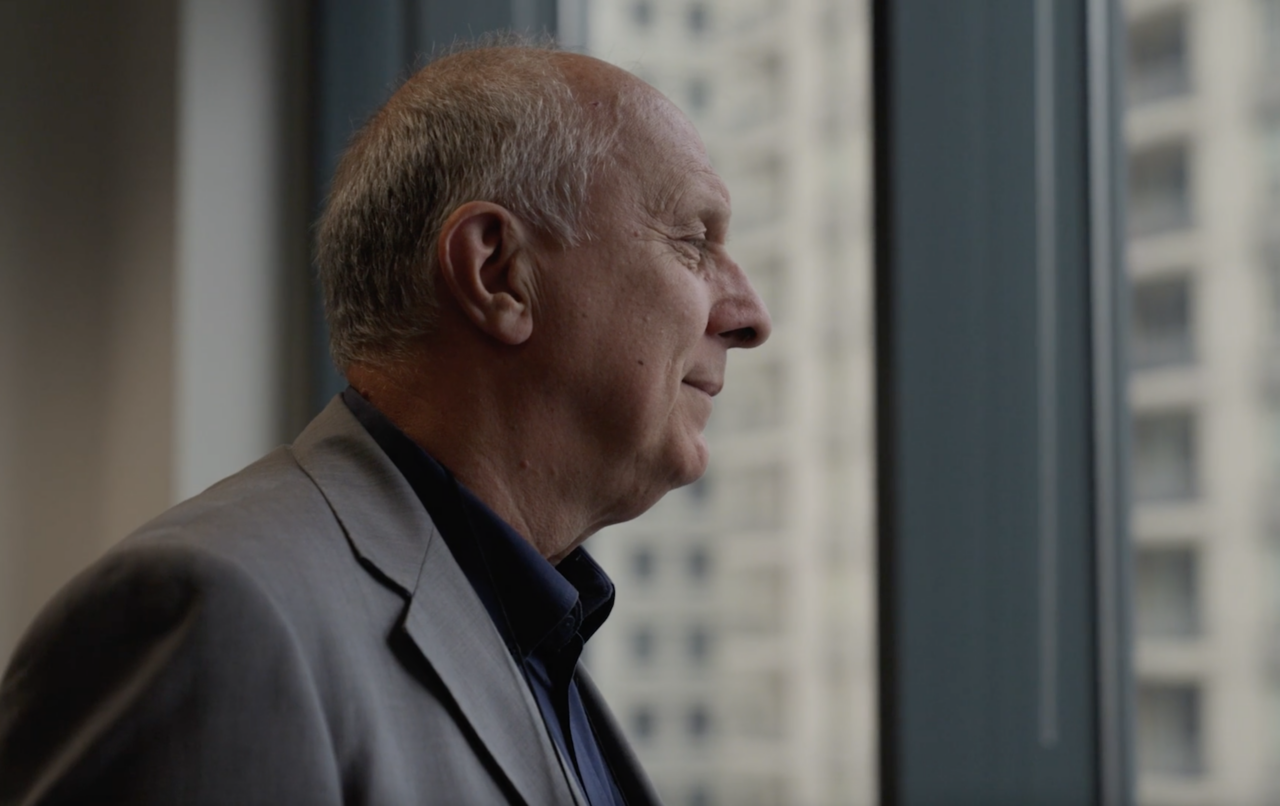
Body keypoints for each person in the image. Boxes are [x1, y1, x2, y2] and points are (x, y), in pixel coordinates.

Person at [0, 42, 770, 806]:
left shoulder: (530, 638)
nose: (750, 317)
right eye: (693, 243)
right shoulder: (212, 619)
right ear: (498, 273)